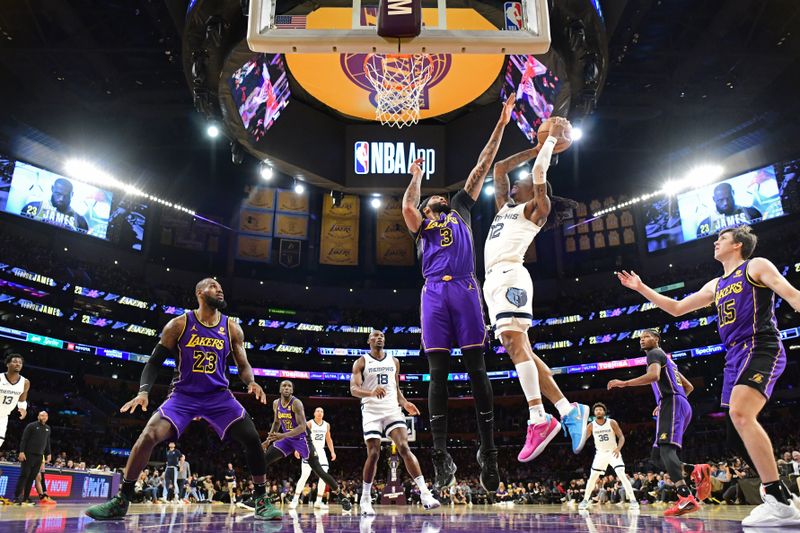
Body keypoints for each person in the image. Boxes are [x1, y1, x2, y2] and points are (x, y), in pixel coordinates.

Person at [618, 234, 800, 527]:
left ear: (738, 244)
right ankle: (779, 495)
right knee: (732, 432)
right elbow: (677, 308)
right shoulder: (716, 285)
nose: (716, 242)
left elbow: (791, 294)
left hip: (759, 345)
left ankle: (778, 497)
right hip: (733, 357)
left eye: (722, 238)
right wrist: (641, 288)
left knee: (741, 413)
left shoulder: (756, 266)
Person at [85, 278, 280, 520]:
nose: (219, 289)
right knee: (148, 435)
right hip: (183, 395)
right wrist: (143, 391)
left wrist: (250, 382)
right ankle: (122, 498)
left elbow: (243, 365)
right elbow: (154, 362)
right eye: (213, 286)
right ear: (199, 293)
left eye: (221, 287)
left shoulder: (232, 327)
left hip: (218, 396)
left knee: (251, 438)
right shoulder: (178, 324)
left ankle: (261, 499)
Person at [401, 93, 516, 492]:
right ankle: (439, 455)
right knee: (437, 375)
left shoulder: (463, 207)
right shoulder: (421, 224)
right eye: (432, 196)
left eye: (438, 194)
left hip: (466, 288)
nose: (438, 196)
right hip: (433, 293)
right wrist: (415, 176)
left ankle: (489, 453)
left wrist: (501, 123)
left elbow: (483, 163)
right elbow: (407, 207)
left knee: (477, 369)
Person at [487, 118, 590, 462]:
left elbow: (539, 173)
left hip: (511, 276)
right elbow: (500, 167)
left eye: (524, 182)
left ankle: (538, 418)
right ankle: (567, 409)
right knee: (524, 351)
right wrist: (534, 145)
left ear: (532, 189)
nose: (515, 183)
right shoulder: (506, 208)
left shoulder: (537, 209)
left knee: (513, 344)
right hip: (495, 280)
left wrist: (549, 144)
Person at [608, 330, 709, 516]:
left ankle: (686, 498)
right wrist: (667, 403)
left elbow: (653, 376)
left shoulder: (654, 353)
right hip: (675, 403)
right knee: (656, 457)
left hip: (672, 403)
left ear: (656, 339)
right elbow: (689, 387)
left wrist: (624, 383)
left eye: (646, 337)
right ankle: (695, 470)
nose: (642, 340)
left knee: (666, 450)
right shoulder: (669, 361)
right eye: (640, 338)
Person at [350, 330, 440, 515]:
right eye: (375, 336)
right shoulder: (361, 361)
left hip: (392, 409)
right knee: (374, 453)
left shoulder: (394, 361)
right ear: (369, 341)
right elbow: (353, 389)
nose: (379, 337)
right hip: (371, 410)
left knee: (404, 447)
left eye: (382, 335)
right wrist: (371, 392)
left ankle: (424, 493)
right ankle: (365, 498)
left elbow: (396, 388)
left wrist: (405, 403)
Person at [253, 380, 352, 514]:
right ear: (280, 389)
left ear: (292, 390)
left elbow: (301, 427)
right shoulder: (276, 403)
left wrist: (282, 435)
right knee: (262, 461)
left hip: (302, 439)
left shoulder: (296, 403)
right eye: (284, 386)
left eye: (289, 386)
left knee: (319, 470)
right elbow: (276, 423)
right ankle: (259, 496)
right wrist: (268, 440)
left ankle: (342, 496)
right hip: (287, 439)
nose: (286, 388)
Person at [577, 403, 638, 511]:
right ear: (594, 413)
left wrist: (618, 448)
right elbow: (583, 439)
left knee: (622, 475)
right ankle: (585, 500)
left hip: (613, 452)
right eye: (596, 410)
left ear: (604, 412)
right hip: (600, 454)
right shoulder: (591, 425)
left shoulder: (612, 422)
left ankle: (633, 501)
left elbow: (621, 437)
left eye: (600, 410)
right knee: (592, 478)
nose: (598, 411)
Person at [289, 407, 337, 510]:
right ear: (314, 413)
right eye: (318, 411)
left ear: (323, 414)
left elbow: (329, 439)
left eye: (322, 411)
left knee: (324, 476)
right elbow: (301, 436)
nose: (320, 413)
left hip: (321, 452)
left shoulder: (326, 425)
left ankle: (318, 502)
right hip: (309, 450)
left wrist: (332, 452)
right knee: (305, 475)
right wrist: (298, 449)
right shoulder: (309, 423)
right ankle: (295, 499)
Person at [21, 177, 89, 232]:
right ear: (52, 189)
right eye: (58, 194)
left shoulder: (80, 221)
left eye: (66, 196)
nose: (61, 199)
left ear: (72, 194)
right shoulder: (34, 207)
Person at [696, 182, 762, 237]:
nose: (725, 203)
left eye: (728, 198)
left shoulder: (752, 212)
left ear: (733, 193)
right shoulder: (705, 224)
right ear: (714, 199)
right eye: (721, 200)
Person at [14, 411, 51, 505]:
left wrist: (48, 453)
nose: (44, 417)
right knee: (24, 476)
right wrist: (22, 452)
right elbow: (24, 439)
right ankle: (17, 497)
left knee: (31, 478)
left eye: (46, 415)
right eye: (42, 415)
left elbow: (47, 443)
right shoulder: (31, 426)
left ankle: (25, 498)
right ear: (38, 416)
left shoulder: (48, 428)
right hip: (28, 455)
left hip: (39, 456)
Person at [0, 353, 30, 449]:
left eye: (20, 363)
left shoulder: (25, 382)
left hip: (3, 416)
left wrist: (22, 408)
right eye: (15, 361)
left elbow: (22, 399)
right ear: (7, 364)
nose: (18, 364)